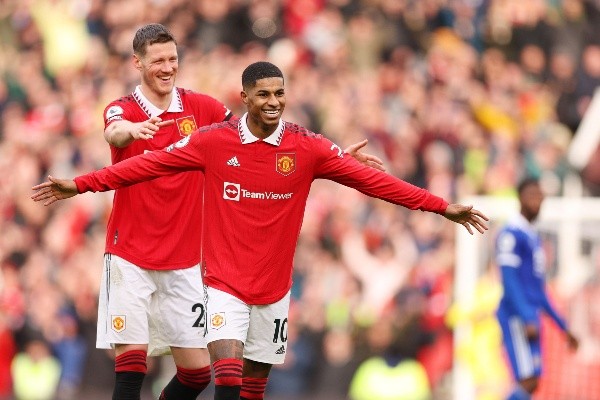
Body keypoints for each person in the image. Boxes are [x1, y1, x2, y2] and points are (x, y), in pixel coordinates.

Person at [32, 61, 489, 400]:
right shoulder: (214, 141)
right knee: (225, 378)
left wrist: (441, 206)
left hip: (273, 290)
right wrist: (81, 184)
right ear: (245, 97)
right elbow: (145, 166)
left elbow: (376, 183)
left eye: (279, 94)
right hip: (222, 285)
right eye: (264, 94)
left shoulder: (306, 147)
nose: (273, 102)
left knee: (253, 387)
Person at [92, 24, 384, 400]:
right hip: (130, 253)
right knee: (132, 366)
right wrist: (130, 130)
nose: (166, 67)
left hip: (184, 261)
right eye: (157, 61)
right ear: (137, 62)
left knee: (198, 375)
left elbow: (258, 130)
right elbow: (113, 132)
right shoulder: (123, 109)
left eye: (172, 59)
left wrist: (334, 156)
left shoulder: (203, 108)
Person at [495, 177, 579, 400]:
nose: (537, 201)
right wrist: (525, 316)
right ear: (520, 198)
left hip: (531, 315)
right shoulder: (511, 233)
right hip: (516, 316)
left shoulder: (532, 236)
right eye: (532, 196)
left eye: (540, 197)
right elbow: (509, 279)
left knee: (533, 382)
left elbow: (539, 292)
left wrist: (563, 327)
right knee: (527, 380)